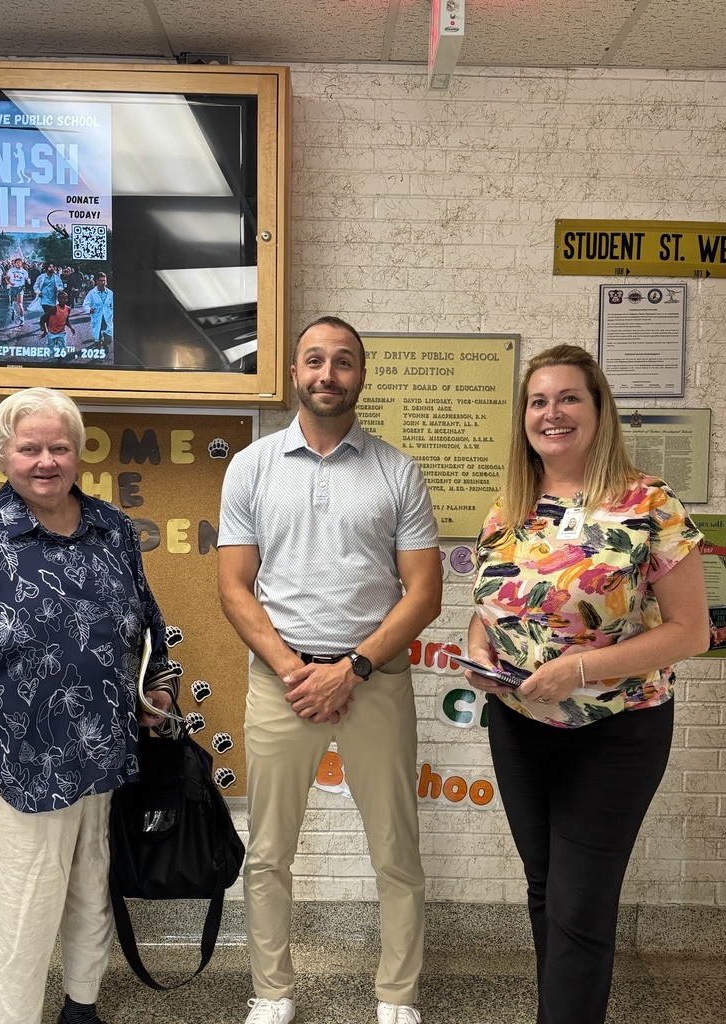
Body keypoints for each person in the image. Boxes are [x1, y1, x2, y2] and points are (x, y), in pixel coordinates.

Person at [465, 344, 709, 1024]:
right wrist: (478, 645)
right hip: (519, 725)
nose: (552, 413)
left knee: (579, 904)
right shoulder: (508, 507)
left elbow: (691, 631)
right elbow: (488, 604)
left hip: (616, 731)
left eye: (568, 397)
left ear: (599, 411)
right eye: (538, 401)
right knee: (547, 890)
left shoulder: (650, 504)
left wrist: (576, 669)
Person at [218, 315, 442, 1024]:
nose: (327, 373)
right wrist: (294, 669)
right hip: (281, 682)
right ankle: (272, 990)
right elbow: (233, 586)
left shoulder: (396, 470)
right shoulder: (250, 466)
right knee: (270, 851)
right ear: (294, 373)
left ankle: (398, 995)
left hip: (374, 681)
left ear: (361, 377)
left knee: (395, 850)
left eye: (343, 362)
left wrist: (352, 667)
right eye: (314, 360)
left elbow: (425, 592)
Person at [0, 387, 179, 1024]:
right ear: (3, 454)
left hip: (105, 751)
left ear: (80, 454)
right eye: (30, 448)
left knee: (92, 891)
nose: (46, 460)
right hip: (16, 761)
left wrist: (156, 688)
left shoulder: (111, 527)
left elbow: (148, 624)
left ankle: (82, 1006)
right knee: (17, 910)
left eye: (60, 447)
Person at [40, 289, 76, 356]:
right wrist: (45, 331)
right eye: (61, 298)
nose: (62, 300)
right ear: (58, 299)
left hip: (61, 332)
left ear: (67, 299)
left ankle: (60, 364)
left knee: (62, 351)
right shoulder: (54, 309)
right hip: (51, 332)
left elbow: (66, 320)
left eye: (64, 298)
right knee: (50, 351)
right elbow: (42, 318)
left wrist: (71, 327)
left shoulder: (68, 309)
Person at [83, 272, 114, 347]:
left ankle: (105, 343)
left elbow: (113, 305)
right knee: (98, 338)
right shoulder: (92, 293)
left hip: (107, 318)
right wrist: (89, 309)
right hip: (97, 317)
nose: (103, 282)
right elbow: (85, 304)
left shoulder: (110, 293)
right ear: (97, 281)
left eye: (104, 280)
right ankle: (99, 353)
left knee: (109, 339)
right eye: (101, 280)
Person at [33, 262, 64, 331]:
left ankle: (42, 320)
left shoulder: (56, 278)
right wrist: (39, 292)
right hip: (44, 298)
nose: (52, 268)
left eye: (53, 267)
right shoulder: (41, 277)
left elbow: (61, 287)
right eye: (50, 267)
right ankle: (49, 329)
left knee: (51, 314)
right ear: (47, 268)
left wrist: (57, 288)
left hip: (53, 299)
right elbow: (35, 287)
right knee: (48, 312)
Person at [5, 256, 30, 325]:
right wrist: (9, 283)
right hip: (12, 288)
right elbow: (6, 278)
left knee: (20, 304)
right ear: (14, 264)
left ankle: (22, 319)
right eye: (17, 263)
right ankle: (13, 311)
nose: (18, 264)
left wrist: (28, 280)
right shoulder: (11, 270)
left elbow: (27, 279)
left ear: (21, 264)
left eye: (20, 263)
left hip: (20, 288)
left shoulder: (24, 272)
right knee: (11, 302)